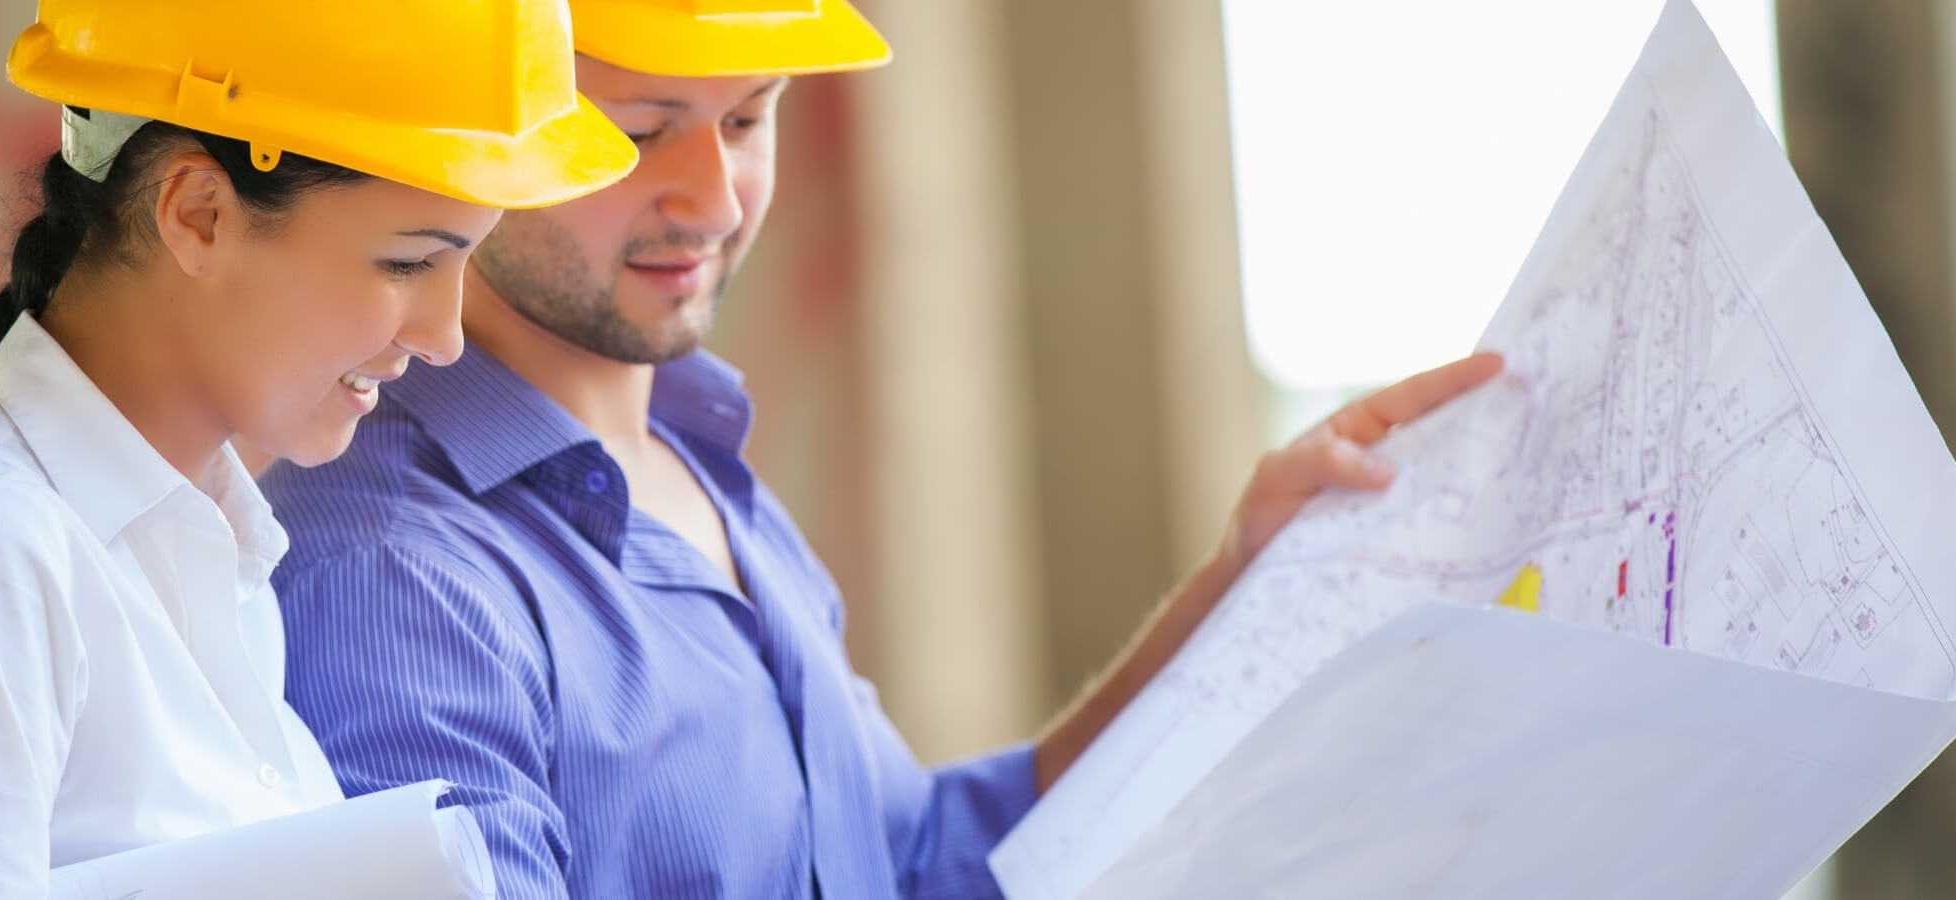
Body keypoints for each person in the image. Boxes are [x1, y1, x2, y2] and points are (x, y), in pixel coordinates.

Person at [262, 2, 1505, 897]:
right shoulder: (392, 574)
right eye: (639, 133)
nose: (714, 199)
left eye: (747, 119)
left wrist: (1246, 577)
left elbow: (916, 862)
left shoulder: (700, 462)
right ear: (483, 141)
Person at [0, 2, 635, 897]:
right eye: (408, 263)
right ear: (199, 212)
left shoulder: (220, 567)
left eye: (463, 264)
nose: (445, 338)